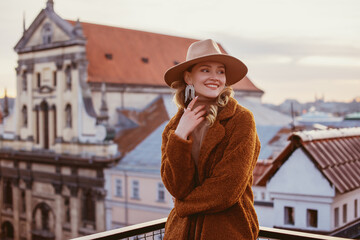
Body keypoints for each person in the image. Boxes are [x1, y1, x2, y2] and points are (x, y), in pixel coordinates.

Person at [161, 39, 261, 239]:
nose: (215, 77)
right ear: (189, 77)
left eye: (220, 71)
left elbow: (227, 189)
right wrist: (180, 136)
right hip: (182, 232)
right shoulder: (174, 128)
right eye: (205, 70)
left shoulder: (241, 119)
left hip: (226, 230)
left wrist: (183, 205)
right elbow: (176, 187)